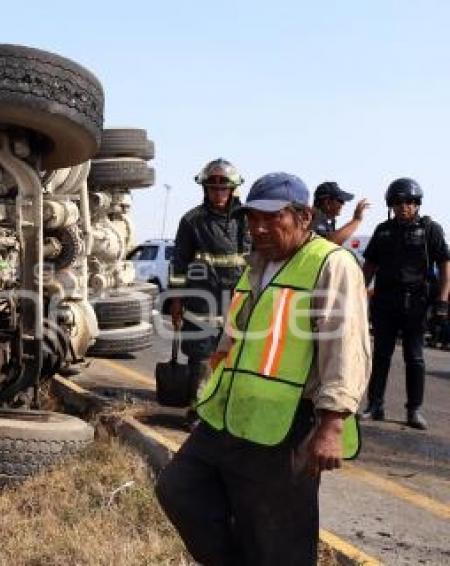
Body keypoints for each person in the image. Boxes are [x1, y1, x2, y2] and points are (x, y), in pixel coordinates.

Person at [157, 172, 369, 566]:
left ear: (304, 217)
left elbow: (347, 346)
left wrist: (332, 424)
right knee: (179, 488)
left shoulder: (330, 264)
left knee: (278, 541)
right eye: (252, 219)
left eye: (272, 219)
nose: (259, 228)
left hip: (288, 425)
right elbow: (233, 341)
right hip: (231, 417)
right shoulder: (255, 265)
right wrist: (208, 398)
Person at [361, 178, 450, 429]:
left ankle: (414, 410)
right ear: (391, 204)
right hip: (385, 302)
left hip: (417, 303)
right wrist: (356, 297)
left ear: (417, 204)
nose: (404, 206)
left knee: (415, 357)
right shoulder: (382, 231)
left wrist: (442, 302)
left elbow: (445, 265)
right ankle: (375, 404)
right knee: (381, 355)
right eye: (398, 202)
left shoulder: (431, 230)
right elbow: (368, 268)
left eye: (410, 202)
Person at [167, 158, 251, 420]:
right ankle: (198, 410)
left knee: (234, 357)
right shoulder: (192, 221)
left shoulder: (246, 219)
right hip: (200, 303)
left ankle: (226, 410)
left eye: (223, 188)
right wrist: (177, 301)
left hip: (237, 301)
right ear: (205, 189)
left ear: (233, 189)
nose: (218, 193)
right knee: (201, 358)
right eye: (212, 188)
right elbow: (179, 263)